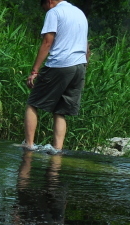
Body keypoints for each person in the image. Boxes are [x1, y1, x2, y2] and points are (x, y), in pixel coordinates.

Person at [22, 0, 89, 154]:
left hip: (60, 64)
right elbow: (86, 45)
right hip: (79, 66)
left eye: (44, 7)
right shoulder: (79, 13)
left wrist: (34, 71)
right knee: (60, 110)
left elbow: (47, 42)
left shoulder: (54, 12)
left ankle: (29, 145)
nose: (45, 11)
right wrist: (83, 67)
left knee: (33, 103)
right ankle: (57, 150)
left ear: (50, 2)